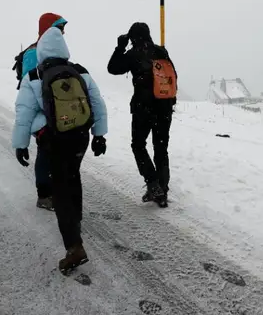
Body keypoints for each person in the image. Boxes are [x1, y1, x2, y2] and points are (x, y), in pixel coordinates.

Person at [12, 24, 108, 273]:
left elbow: (23, 114)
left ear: (42, 50)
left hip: (54, 139)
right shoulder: (80, 72)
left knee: (61, 188)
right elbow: (98, 104)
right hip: (80, 137)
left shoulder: (33, 76)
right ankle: (74, 221)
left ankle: (73, 245)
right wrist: (99, 135)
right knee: (73, 177)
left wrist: (21, 144)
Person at [107, 22, 177, 207]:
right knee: (161, 148)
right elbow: (173, 75)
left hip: (143, 108)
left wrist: (120, 47)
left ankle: (153, 184)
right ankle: (162, 190)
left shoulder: (133, 54)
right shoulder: (161, 52)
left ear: (132, 37)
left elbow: (113, 68)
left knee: (138, 145)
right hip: (164, 107)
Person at [11, 13, 68, 210]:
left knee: (57, 155)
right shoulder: (33, 53)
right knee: (46, 153)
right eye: (59, 27)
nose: (63, 31)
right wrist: (22, 141)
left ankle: (56, 191)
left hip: (57, 114)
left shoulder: (54, 49)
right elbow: (30, 93)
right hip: (42, 117)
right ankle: (44, 195)